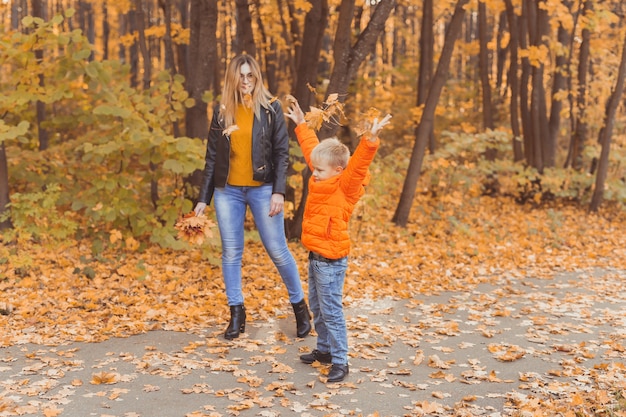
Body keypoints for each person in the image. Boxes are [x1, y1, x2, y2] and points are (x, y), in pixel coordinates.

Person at [194, 54, 311, 340]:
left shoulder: (271, 109)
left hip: (263, 189)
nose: (246, 81)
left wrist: (279, 191)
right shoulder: (223, 112)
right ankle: (237, 314)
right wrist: (202, 198)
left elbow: (281, 153)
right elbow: (212, 158)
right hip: (227, 191)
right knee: (231, 253)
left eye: (250, 76)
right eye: (241, 76)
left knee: (278, 250)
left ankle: (300, 309)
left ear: (257, 77)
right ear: (233, 78)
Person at [285, 98, 391, 382]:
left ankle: (341, 360)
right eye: (315, 169)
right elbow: (312, 153)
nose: (313, 173)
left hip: (331, 261)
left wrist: (369, 140)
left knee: (331, 311)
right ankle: (324, 350)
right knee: (318, 308)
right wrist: (302, 126)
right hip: (315, 256)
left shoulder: (345, 186)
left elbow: (358, 167)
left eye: (319, 170)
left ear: (338, 170)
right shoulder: (321, 177)